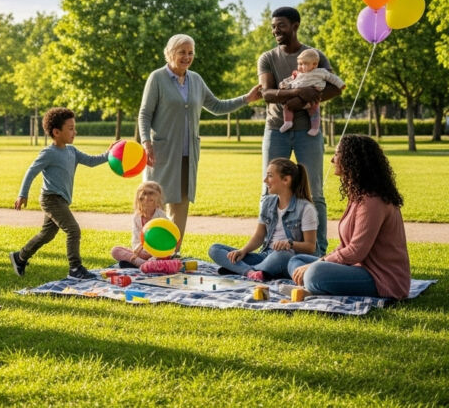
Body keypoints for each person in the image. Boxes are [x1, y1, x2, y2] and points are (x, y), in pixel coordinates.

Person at [139, 33, 261, 253]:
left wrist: (246, 99)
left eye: (190, 52)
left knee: (180, 206)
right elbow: (144, 114)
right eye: (182, 52)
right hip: (161, 153)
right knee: (153, 203)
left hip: (188, 155)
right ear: (170, 53)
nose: (187, 57)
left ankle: (172, 253)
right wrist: (146, 142)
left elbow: (216, 106)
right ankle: (147, 252)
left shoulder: (196, 79)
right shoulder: (157, 78)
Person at [259, 7, 343, 255]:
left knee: (315, 192)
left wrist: (305, 103)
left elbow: (335, 87)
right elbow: (267, 93)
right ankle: (267, 247)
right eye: (273, 26)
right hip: (276, 130)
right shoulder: (267, 58)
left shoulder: (315, 55)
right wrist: (297, 93)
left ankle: (318, 250)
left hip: (309, 132)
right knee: (269, 191)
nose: (276, 30)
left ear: (295, 26)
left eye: (281, 25)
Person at [287, 135, 411, 299]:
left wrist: (318, 264)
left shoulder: (372, 201)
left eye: (337, 154)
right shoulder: (359, 195)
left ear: (352, 159)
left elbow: (355, 252)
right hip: (358, 268)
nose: (332, 160)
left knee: (315, 272)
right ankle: (315, 284)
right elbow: (346, 246)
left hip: (383, 279)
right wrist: (320, 260)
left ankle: (314, 284)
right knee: (296, 260)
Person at [7, 107, 109, 280]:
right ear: (56, 132)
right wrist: (22, 194)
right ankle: (75, 268)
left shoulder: (72, 151)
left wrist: (110, 154)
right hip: (51, 199)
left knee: (47, 234)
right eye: (70, 128)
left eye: (74, 128)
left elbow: (92, 161)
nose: (74, 132)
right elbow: (31, 172)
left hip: (61, 200)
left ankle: (20, 257)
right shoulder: (49, 153)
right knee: (73, 230)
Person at [208, 158, 318, 281]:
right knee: (215, 249)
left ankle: (239, 269)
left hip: (287, 257)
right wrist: (243, 251)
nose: (265, 180)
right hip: (264, 256)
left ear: (286, 180)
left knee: (282, 256)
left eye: (270, 176)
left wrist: (290, 244)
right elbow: (259, 236)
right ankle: (251, 272)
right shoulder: (267, 203)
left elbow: (310, 247)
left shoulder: (306, 208)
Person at [110, 181, 178, 273]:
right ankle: (142, 264)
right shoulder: (137, 217)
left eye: (151, 194)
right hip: (141, 253)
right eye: (144, 194)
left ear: (158, 199)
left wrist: (154, 253)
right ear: (139, 198)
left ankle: (143, 264)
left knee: (165, 256)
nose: (147, 197)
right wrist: (138, 252)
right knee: (115, 250)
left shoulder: (161, 216)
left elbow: (166, 240)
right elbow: (135, 240)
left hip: (157, 252)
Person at [277, 49, 346, 136]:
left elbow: (332, 78)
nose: (300, 66)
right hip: (297, 94)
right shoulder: (297, 74)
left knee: (314, 112)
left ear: (314, 65)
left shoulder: (320, 72)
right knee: (287, 106)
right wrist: (283, 84)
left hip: (313, 96)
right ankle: (288, 122)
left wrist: (341, 84)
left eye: (304, 64)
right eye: (299, 64)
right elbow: (289, 80)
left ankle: (315, 128)